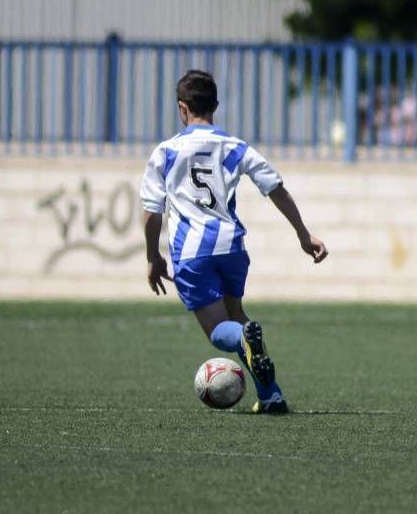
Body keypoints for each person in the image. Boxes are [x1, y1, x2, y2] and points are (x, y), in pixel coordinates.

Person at [140, 70, 328, 414]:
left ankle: (244, 339)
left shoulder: (166, 152)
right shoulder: (234, 146)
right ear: (215, 105)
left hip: (193, 253)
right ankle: (271, 395)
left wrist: (153, 257)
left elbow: (152, 212)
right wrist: (303, 234)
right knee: (237, 315)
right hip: (232, 246)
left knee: (219, 332)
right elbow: (276, 188)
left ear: (182, 108)